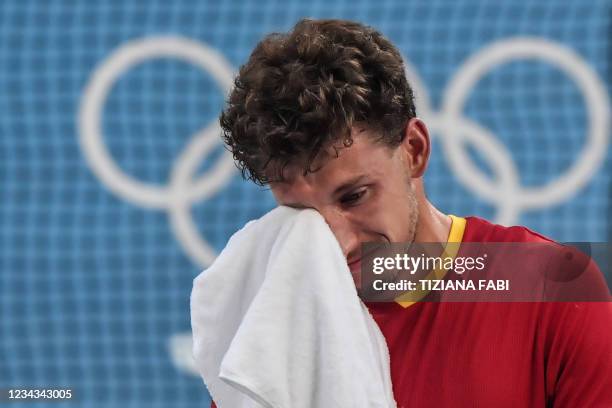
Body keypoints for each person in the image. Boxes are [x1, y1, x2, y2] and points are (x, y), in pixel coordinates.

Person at [210, 18, 612, 407]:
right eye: (300, 212)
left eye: (354, 197)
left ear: (414, 150)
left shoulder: (553, 288)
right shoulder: (271, 320)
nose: (337, 242)